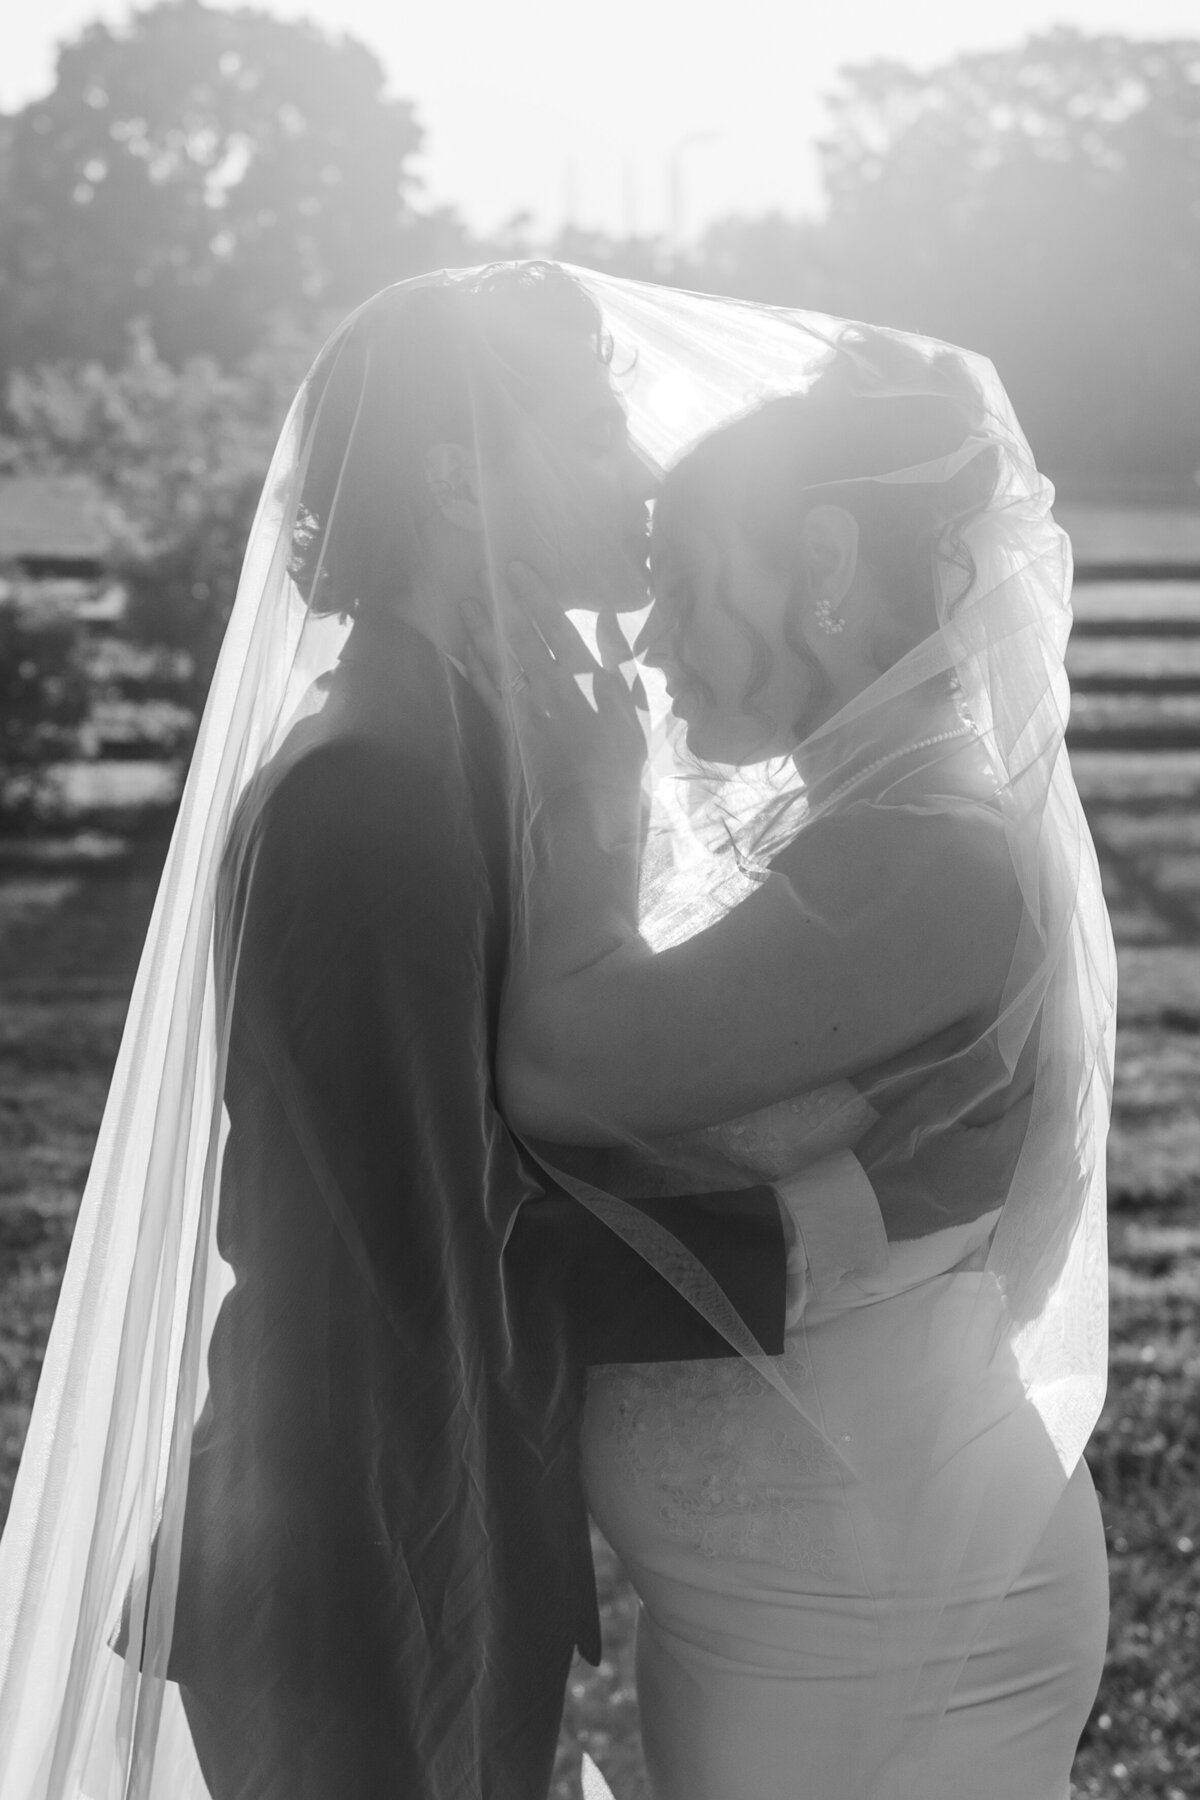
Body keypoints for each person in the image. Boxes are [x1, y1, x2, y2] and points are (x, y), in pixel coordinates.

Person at [0, 265, 791, 1800]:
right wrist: (818, 1243)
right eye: (593, 428)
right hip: (352, 1551)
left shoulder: (477, 746)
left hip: (428, 1510)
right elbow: (430, 1237)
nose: (641, 476)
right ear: (455, 478)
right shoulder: (371, 791)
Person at [488, 329, 1116, 1799]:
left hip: (898, 1613)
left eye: (694, 581)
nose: (653, 642)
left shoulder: (932, 853)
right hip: (795, 1605)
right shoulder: (867, 827)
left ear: (825, 566)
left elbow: (565, 1069)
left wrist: (590, 804)